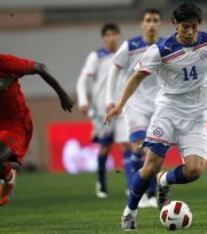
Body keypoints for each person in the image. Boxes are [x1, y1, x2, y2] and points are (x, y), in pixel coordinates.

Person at [106, 2, 207, 231]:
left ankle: (164, 181)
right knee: (149, 168)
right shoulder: (162, 49)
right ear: (175, 24)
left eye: (194, 27)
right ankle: (130, 211)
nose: (190, 32)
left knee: (194, 171)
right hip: (168, 112)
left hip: (196, 116)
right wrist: (119, 105)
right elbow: (136, 77)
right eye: (185, 27)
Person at [105, 9, 163, 208]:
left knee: (154, 151)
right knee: (140, 147)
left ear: (160, 23)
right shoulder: (130, 46)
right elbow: (114, 69)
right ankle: (142, 192)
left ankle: (151, 195)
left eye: (155, 20)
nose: (152, 24)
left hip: (159, 104)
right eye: (148, 20)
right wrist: (109, 100)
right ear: (142, 24)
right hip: (135, 103)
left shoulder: (165, 45)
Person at [0, 53, 74, 206]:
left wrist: (62, 94)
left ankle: (7, 177)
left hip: (16, 123)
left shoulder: (6, 62)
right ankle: (8, 176)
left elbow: (40, 67)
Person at [77, 23, 131, 199]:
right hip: (103, 110)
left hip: (122, 108)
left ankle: (130, 185)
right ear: (104, 38)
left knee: (126, 144)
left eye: (114, 34)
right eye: (108, 35)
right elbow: (82, 81)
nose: (112, 38)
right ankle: (101, 183)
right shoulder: (96, 57)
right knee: (105, 147)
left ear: (118, 36)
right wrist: (84, 101)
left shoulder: (124, 55)